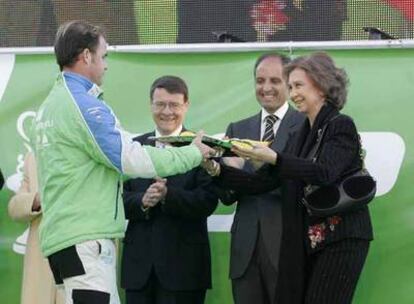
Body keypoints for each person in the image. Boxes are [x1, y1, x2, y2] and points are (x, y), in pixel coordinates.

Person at [32, 20, 213, 304]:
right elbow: (131, 158)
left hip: (68, 238)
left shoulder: (52, 105)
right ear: (86, 55)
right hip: (85, 239)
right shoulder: (83, 105)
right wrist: (193, 152)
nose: (106, 65)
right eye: (104, 56)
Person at [220, 52, 373, 304]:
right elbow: (261, 183)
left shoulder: (340, 125)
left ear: (322, 86)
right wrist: (217, 169)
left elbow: (324, 172)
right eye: (290, 86)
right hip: (309, 242)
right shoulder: (300, 134)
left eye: (298, 85)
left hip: (340, 239)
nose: (292, 94)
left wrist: (274, 158)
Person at [121, 75, 219, 304]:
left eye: (174, 105)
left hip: (185, 271)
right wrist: (142, 201)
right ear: (150, 105)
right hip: (139, 272)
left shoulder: (202, 147)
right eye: (160, 104)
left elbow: (208, 201)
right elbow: (116, 198)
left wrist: (168, 196)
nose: (167, 111)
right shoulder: (133, 147)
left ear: (186, 105)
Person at [216, 53, 304, 304]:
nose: (266, 88)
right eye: (260, 80)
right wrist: (219, 170)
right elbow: (227, 197)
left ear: (289, 83)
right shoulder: (237, 129)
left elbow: (300, 184)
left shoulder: (305, 125)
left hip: (288, 249)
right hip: (245, 252)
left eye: (275, 81)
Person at [8, 152, 65, 304]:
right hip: (42, 257)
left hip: (80, 254)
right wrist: (36, 200)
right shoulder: (33, 157)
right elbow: (14, 207)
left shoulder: (87, 147)